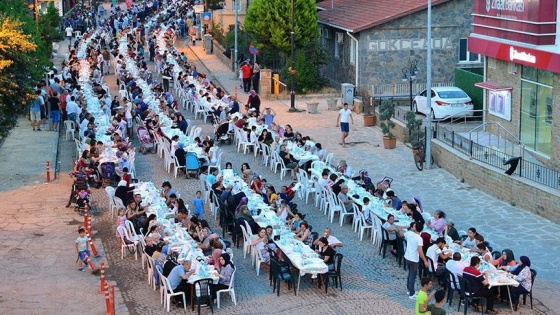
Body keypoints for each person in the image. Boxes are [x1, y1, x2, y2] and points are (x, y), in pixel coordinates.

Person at [405, 221, 429, 299]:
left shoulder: (409, 234)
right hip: (414, 259)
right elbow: (420, 251)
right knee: (413, 276)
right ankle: (411, 293)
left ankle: (409, 289)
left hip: (407, 256)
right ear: (421, 229)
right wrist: (425, 260)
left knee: (410, 274)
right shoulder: (419, 238)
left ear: (414, 228)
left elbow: (403, 234)